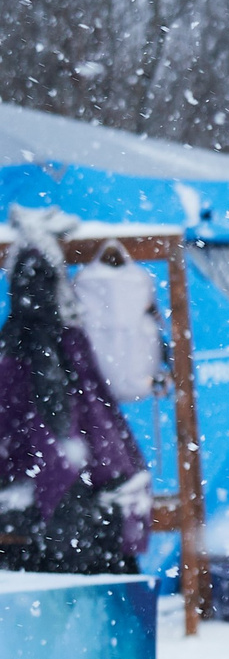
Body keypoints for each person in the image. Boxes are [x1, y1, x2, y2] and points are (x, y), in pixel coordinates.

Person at [0, 222, 152, 575]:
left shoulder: (27, 348)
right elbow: (66, 421)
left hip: (50, 489)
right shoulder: (57, 344)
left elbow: (50, 425)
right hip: (69, 487)